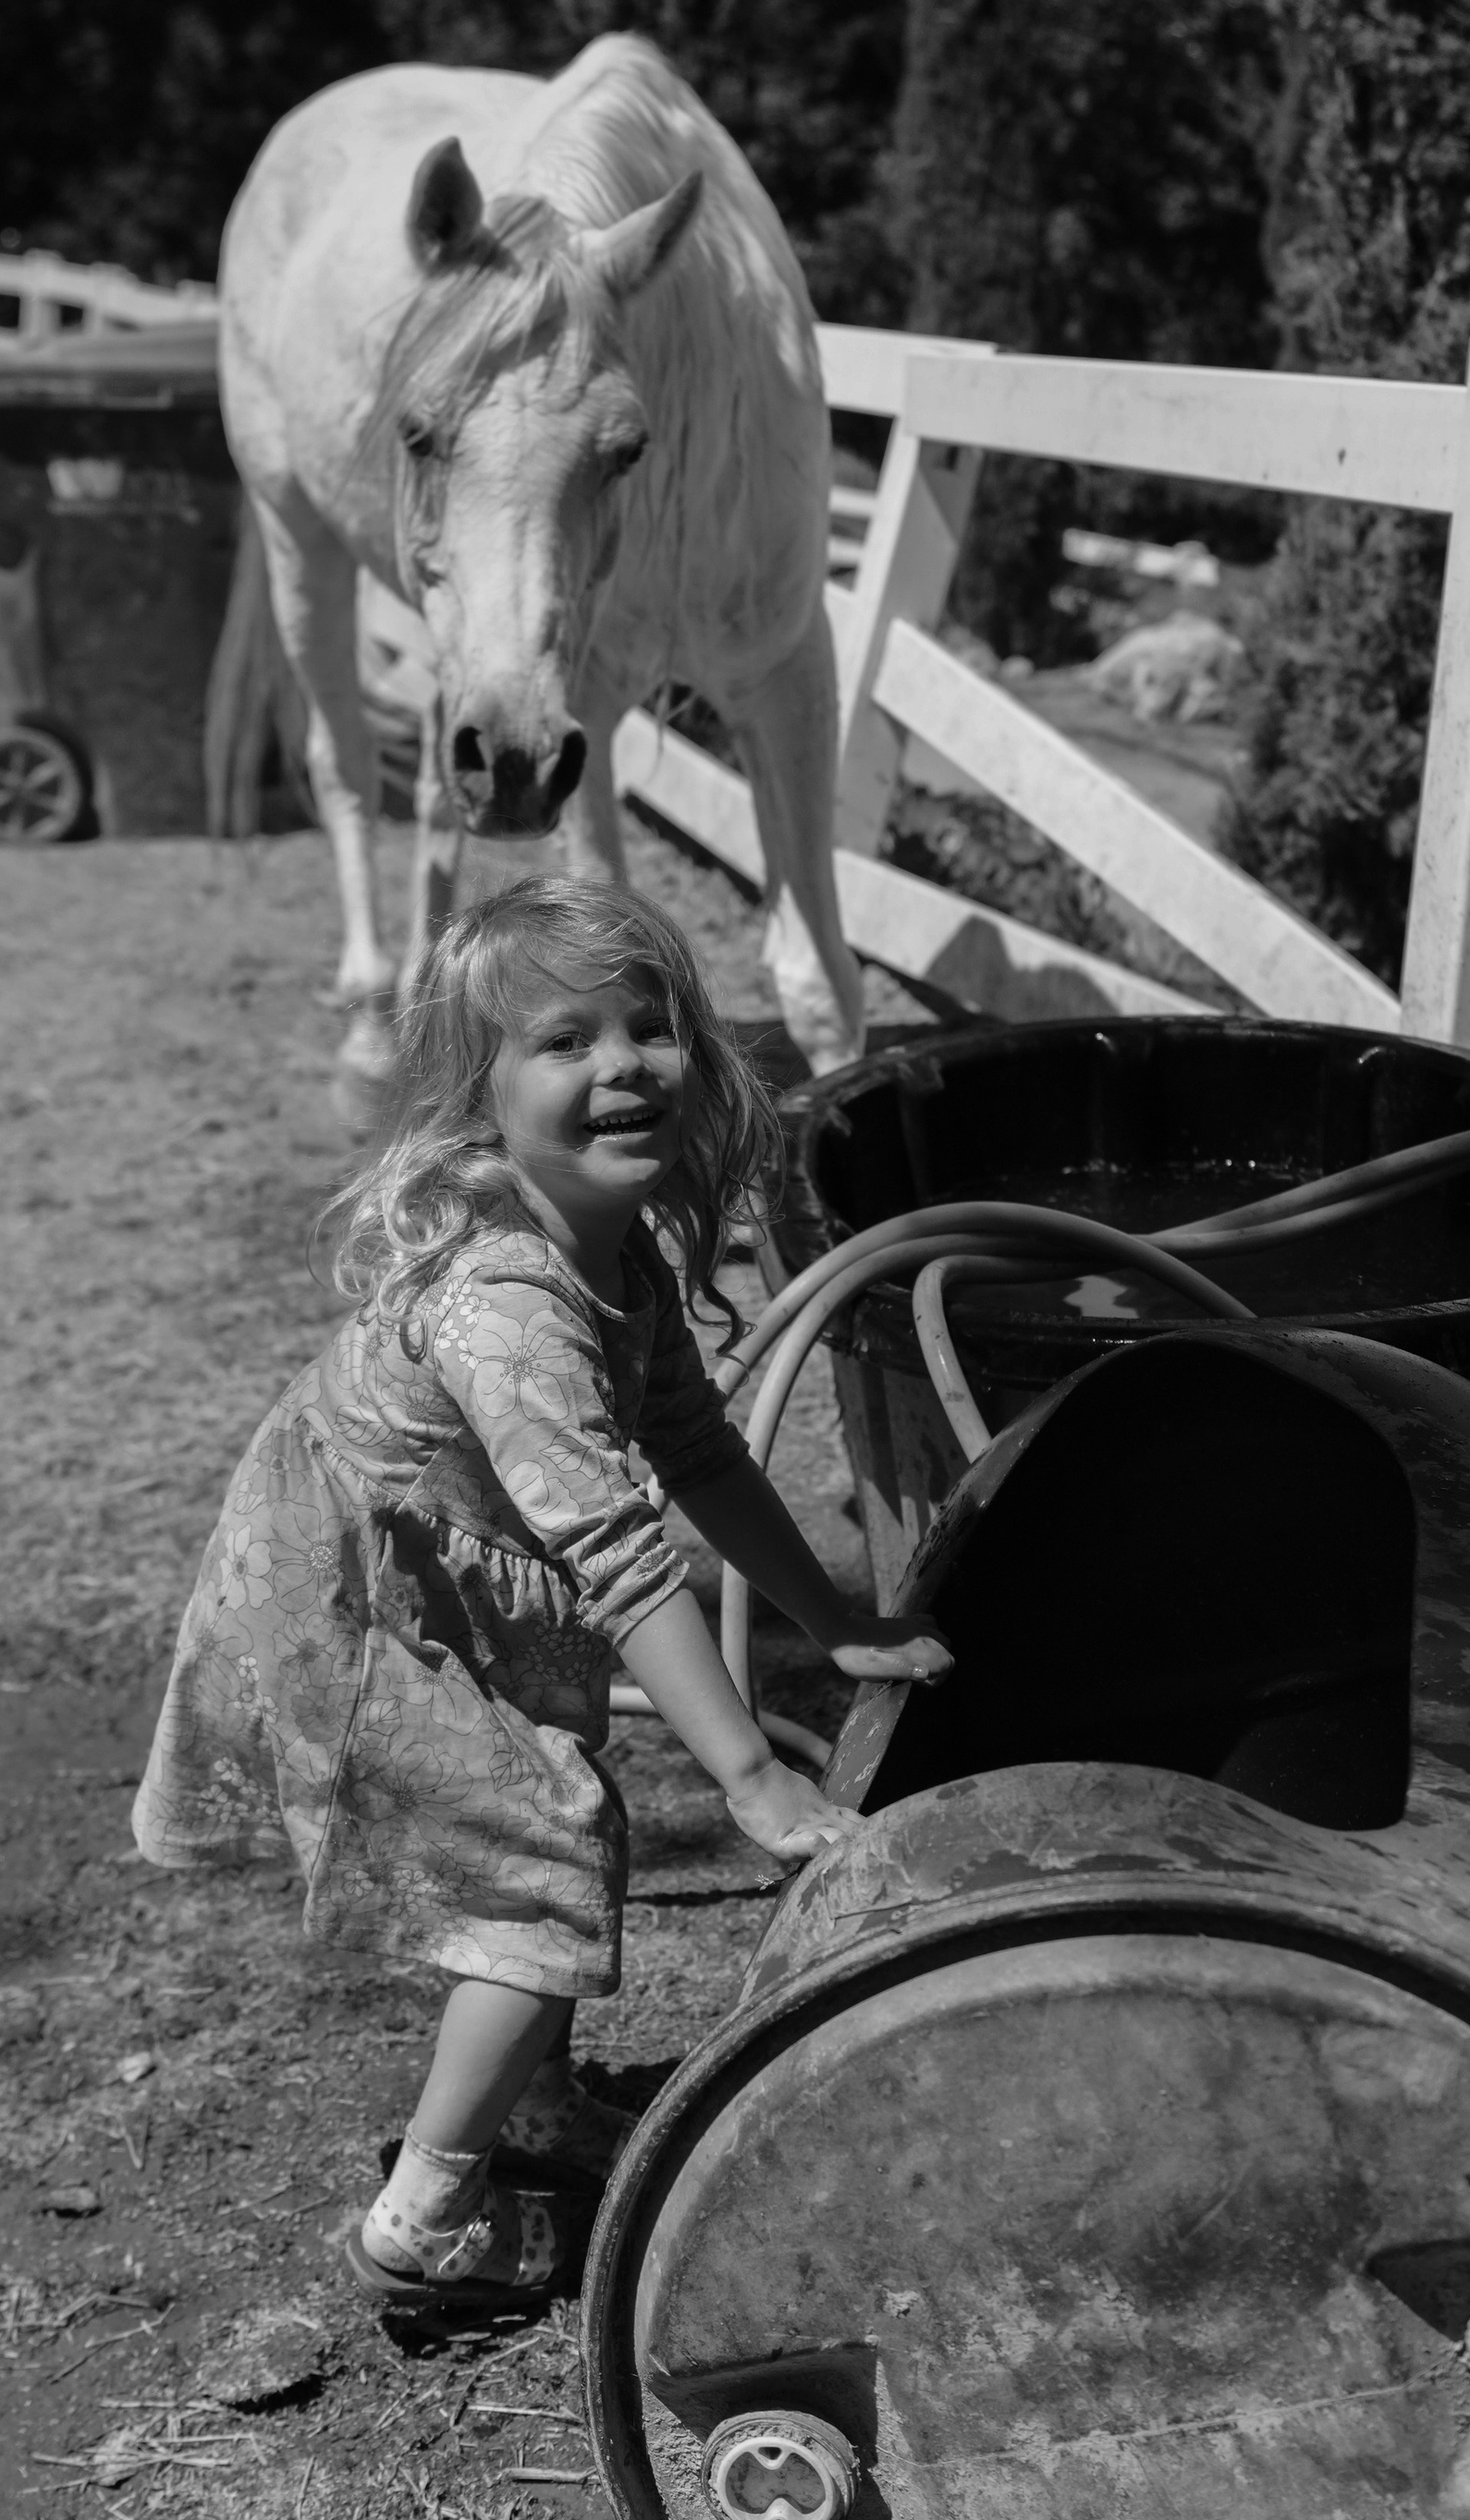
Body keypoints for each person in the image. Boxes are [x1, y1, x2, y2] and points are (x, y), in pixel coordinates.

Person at [131, 877, 951, 2302]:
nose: (620, 1063)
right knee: (549, 1857)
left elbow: (690, 1445)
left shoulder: (612, 1248)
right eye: (564, 1040)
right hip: (367, 1596)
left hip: (451, 1563)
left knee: (556, 1808)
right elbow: (622, 1553)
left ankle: (531, 2101)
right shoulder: (507, 1300)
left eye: (649, 1027)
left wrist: (837, 1620)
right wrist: (750, 1771)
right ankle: (427, 2216)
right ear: (479, 1096)